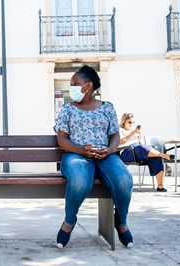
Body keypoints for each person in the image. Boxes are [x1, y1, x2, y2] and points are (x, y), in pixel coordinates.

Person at [54, 65, 133, 249]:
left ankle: (121, 222)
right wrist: (80, 150)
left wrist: (110, 149)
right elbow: (62, 138)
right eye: (71, 83)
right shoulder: (67, 109)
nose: (71, 87)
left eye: (75, 83)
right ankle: (69, 221)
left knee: (124, 180)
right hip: (76, 155)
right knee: (80, 180)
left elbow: (114, 135)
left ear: (88, 85)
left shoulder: (107, 108)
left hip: (105, 155)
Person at [119, 113, 173, 192]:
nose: (131, 124)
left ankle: (160, 186)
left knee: (156, 157)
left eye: (132, 123)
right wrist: (131, 134)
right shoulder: (120, 130)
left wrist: (139, 137)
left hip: (139, 150)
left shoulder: (133, 131)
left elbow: (141, 144)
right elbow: (120, 142)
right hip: (127, 152)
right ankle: (164, 155)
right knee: (140, 147)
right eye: (129, 122)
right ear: (124, 122)